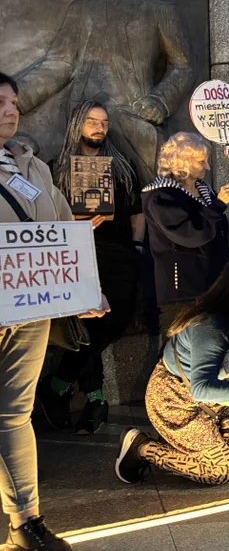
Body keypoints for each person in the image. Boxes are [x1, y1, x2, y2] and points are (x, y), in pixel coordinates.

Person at [0, 73, 109, 551]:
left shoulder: (34, 169)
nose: (11, 109)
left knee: (14, 414)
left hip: (30, 312)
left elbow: (63, 228)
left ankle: (26, 522)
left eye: (14, 102)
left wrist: (88, 290)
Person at [13, 0, 195, 184]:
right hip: (84, 128)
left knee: (139, 205)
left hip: (134, 126)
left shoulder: (159, 11)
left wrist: (160, 101)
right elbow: (59, 64)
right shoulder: (81, 10)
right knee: (86, 206)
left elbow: (182, 66)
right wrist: (13, 99)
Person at [114, 258, 229, 486]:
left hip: (211, 398)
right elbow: (201, 389)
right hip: (176, 402)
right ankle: (142, 447)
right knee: (222, 471)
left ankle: (226, 437)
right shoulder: (211, 327)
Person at [36, 102, 145, 435]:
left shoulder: (122, 167)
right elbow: (48, 217)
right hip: (77, 253)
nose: (100, 127)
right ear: (76, 125)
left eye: (104, 122)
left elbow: (137, 212)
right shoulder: (57, 168)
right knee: (86, 323)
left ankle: (58, 382)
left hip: (119, 253)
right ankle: (95, 398)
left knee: (114, 319)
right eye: (92, 121)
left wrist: (138, 244)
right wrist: (74, 223)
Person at [142, 132, 229, 336]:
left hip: (212, 284)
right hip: (183, 291)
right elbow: (191, 235)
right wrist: (219, 204)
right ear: (182, 162)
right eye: (201, 161)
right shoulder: (161, 196)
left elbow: (210, 227)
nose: (207, 167)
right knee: (181, 355)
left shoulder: (203, 189)